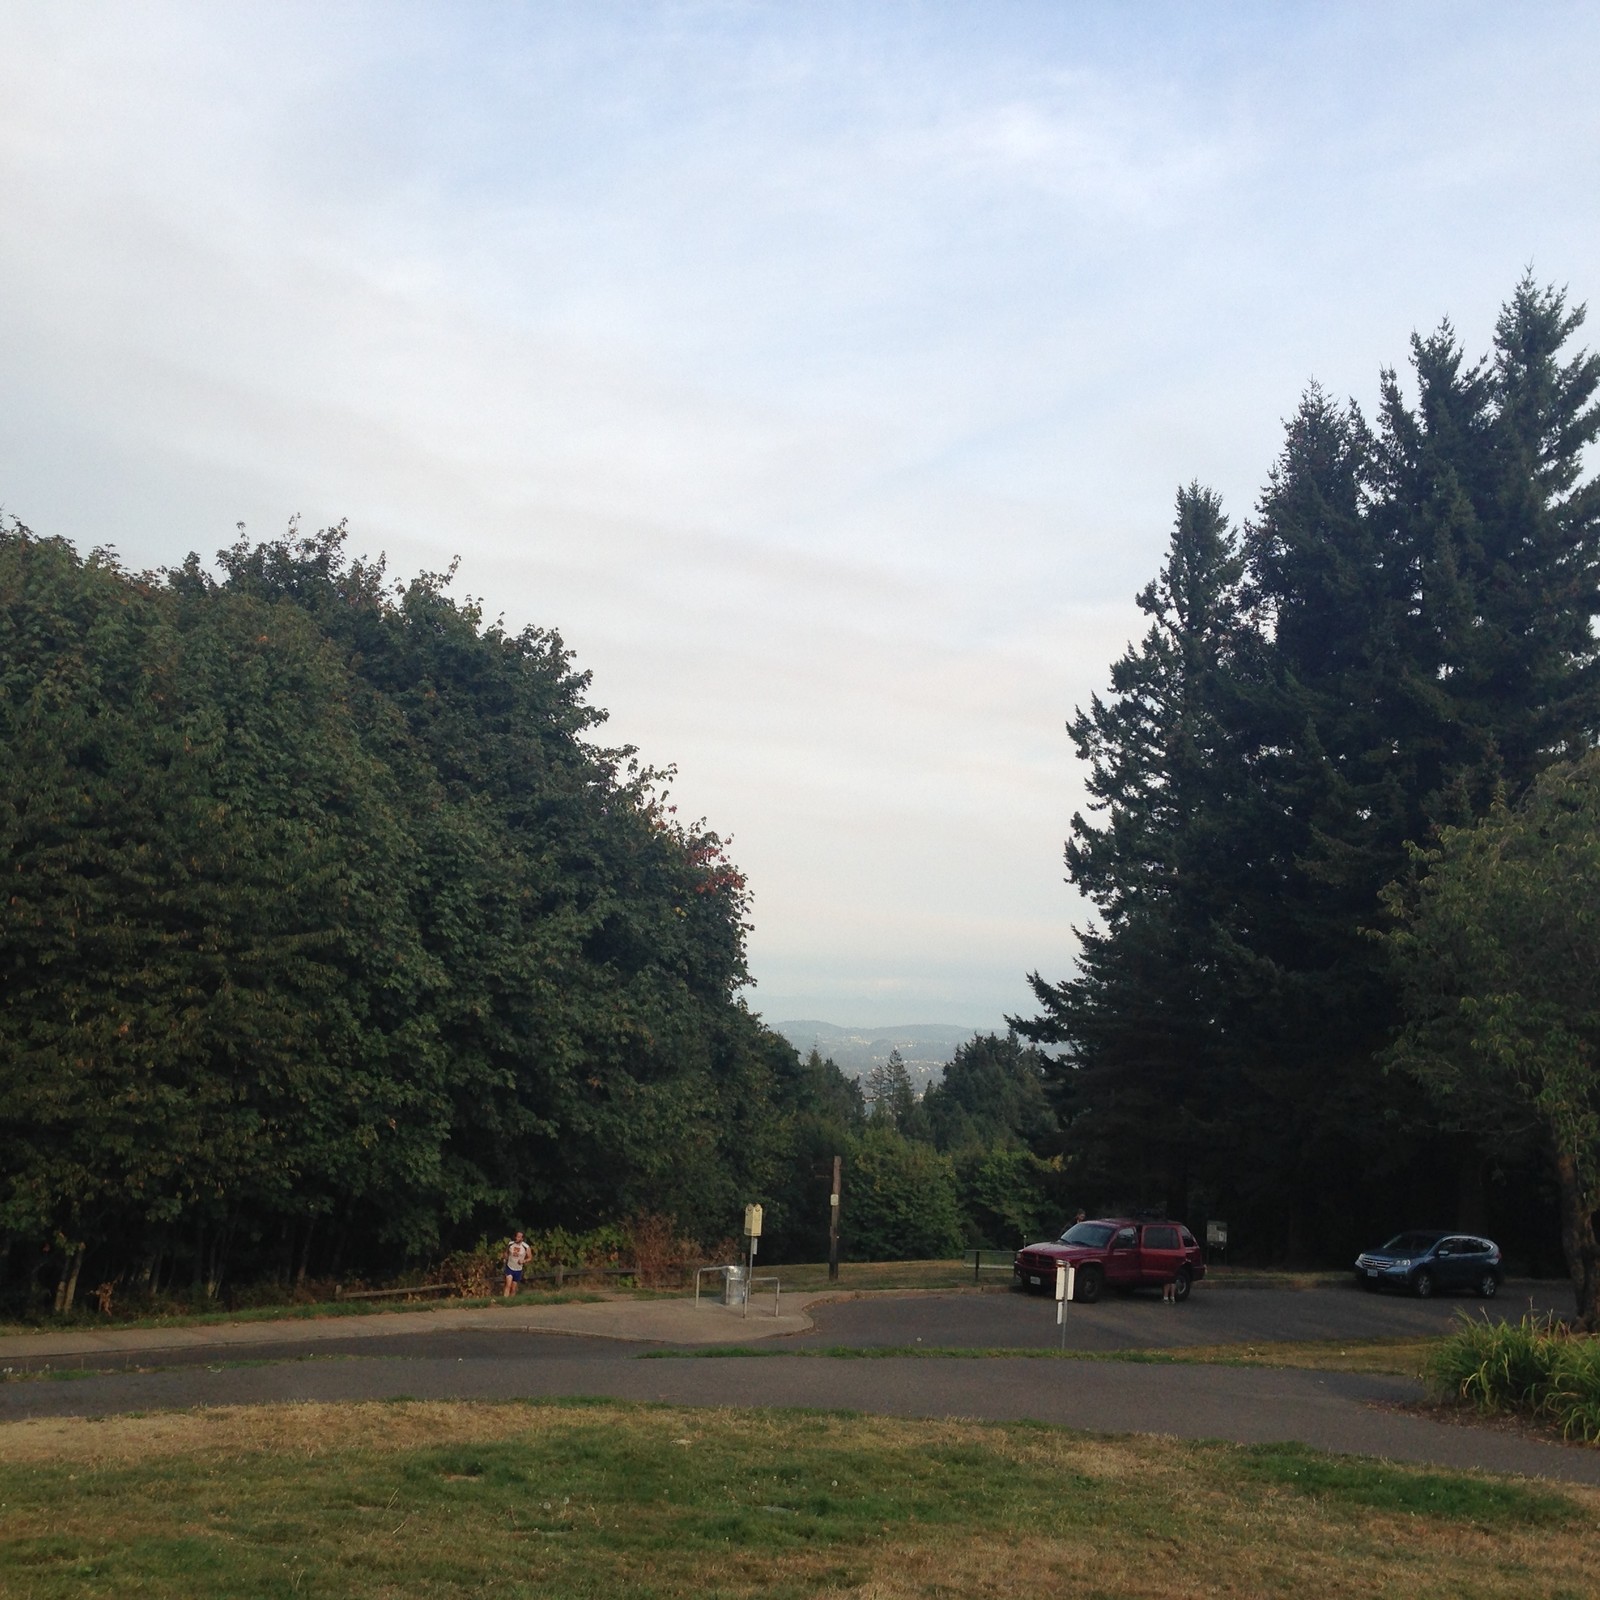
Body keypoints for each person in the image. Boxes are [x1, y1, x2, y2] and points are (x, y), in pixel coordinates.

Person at [504, 1230, 532, 1297]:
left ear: (522, 1238)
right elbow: (506, 1252)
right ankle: (504, 1300)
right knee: (508, 1285)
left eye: (519, 1237)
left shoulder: (526, 1247)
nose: (517, 1238)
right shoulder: (510, 1244)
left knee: (513, 1289)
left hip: (518, 1269)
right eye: (516, 1236)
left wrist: (524, 1261)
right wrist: (505, 1258)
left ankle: (511, 1301)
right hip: (510, 1267)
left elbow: (530, 1257)